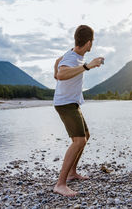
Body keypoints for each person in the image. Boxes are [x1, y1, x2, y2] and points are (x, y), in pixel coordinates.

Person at [52, 25, 104, 197]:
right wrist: (88, 67)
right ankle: (60, 184)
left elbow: (58, 62)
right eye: (92, 41)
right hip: (65, 103)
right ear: (89, 42)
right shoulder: (74, 58)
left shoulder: (73, 54)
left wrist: (55, 71)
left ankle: (73, 172)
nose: (92, 44)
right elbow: (61, 74)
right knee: (79, 141)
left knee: (85, 136)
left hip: (72, 103)